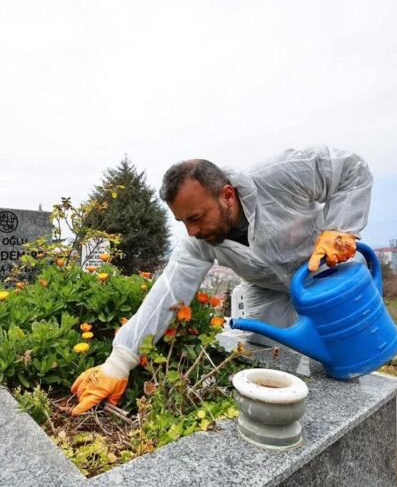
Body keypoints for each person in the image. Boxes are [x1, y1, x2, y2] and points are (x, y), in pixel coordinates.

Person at [70, 145, 373, 415]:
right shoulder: (199, 242)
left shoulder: (279, 174)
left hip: (325, 276)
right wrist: (119, 362)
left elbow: (350, 168)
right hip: (269, 292)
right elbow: (167, 293)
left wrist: (340, 228)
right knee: (267, 370)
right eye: (182, 221)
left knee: (341, 366)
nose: (191, 231)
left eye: (196, 217)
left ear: (227, 196)